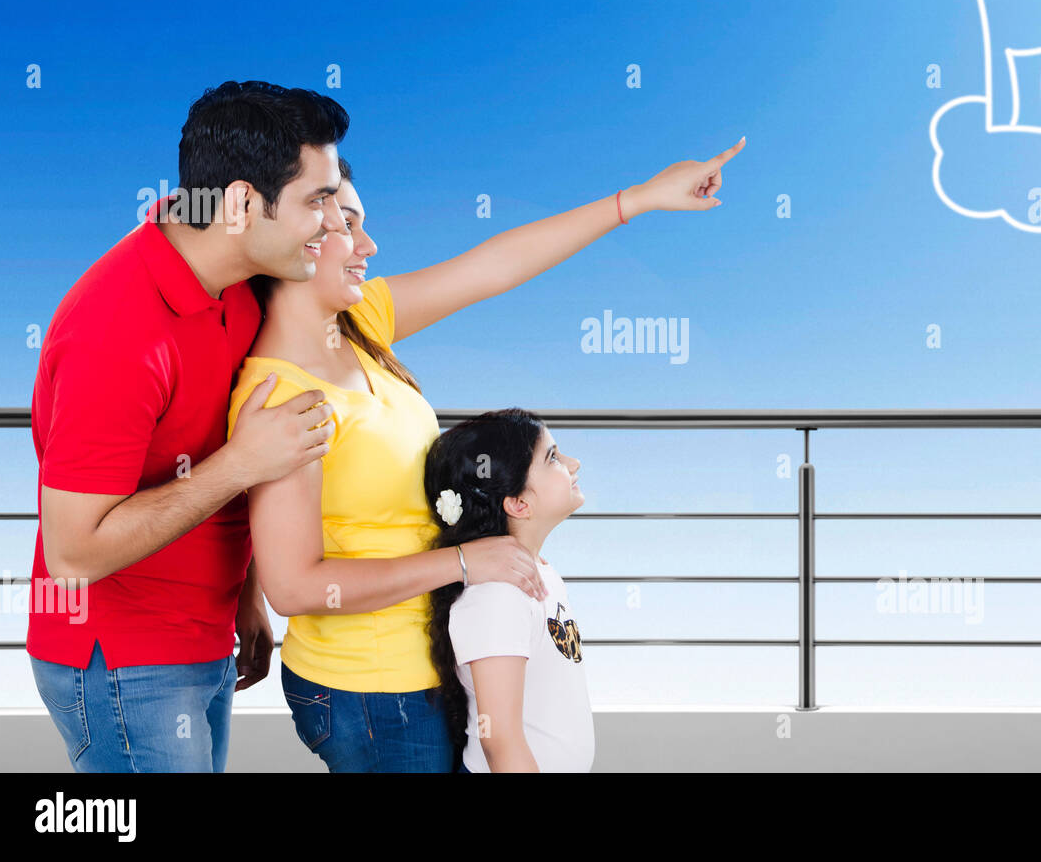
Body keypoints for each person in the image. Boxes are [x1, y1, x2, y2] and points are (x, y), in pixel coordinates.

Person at [227, 136, 745, 772]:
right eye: (349, 226)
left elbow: (494, 266)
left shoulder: (363, 325)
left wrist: (639, 199)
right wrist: (463, 561)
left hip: (423, 665)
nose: (368, 246)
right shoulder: (285, 399)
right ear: (299, 236)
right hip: (371, 687)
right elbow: (296, 586)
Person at [27, 80, 353, 772]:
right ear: (240, 204)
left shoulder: (235, 273)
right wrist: (242, 464)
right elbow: (74, 555)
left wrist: (246, 593)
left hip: (199, 636)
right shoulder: (115, 330)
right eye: (316, 200)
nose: (333, 223)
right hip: (122, 662)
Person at [424, 410, 591, 772]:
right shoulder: (497, 597)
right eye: (553, 457)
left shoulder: (540, 572)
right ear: (518, 503)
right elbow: (499, 741)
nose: (573, 464)